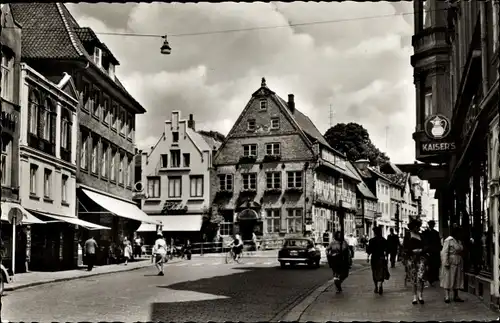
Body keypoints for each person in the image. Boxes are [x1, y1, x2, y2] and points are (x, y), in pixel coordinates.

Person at [404, 219, 427, 305]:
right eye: (417, 227)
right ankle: (414, 296)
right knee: (413, 277)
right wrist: (412, 251)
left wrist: (421, 250)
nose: (418, 229)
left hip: (421, 258)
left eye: (419, 227)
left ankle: (420, 295)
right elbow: (405, 247)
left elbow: (426, 246)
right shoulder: (408, 236)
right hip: (411, 258)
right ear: (413, 227)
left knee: (421, 277)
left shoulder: (422, 236)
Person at [440, 225, 465, 303]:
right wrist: (445, 262)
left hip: (458, 261)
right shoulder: (449, 240)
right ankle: (447, 296)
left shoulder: (458, 241)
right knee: (448, 278)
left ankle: (456, 295)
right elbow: (444, 252)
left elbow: (461, 249)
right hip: (450, 262)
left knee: (457, 278)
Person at [367, 226, 389, 295]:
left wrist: (367, 257)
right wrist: (387, 258)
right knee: (382, 272)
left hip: (374, 258)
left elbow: (369, 250)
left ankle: (376, 286)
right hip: (381, 258)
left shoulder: (371, 240)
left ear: (374, 232)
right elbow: (386, 250)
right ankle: (380, 285)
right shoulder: (384, 240)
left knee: (374, 272)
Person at [422, 220, 442, 286]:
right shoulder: (425, 232)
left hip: (435, 251)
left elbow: (438, 242)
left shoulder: (436, 233)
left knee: (435, 265)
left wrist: (439, 248)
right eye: (431, 224)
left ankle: (434, 278)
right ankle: (430, 278)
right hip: (429, 251)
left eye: (433, 224)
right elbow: (424, 242)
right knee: (429, 265)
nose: (432, 225)